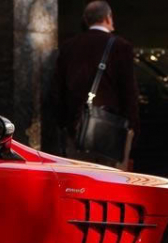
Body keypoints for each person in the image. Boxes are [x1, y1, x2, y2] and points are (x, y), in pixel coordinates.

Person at [54, 0, 139, 169]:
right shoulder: (121, 47)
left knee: (79, 184)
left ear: (86, 20)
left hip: (76, 132)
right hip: (111, 133)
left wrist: (67, 125)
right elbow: (129, 94)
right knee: (111, 185)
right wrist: (133, 129)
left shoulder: (68, 46)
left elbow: (56, 92)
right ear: (108, 18)